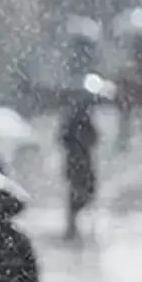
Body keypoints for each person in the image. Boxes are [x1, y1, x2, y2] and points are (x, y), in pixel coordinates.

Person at [59, 100, 100, 240]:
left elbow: (63, 139)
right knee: (80, 192)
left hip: (78, 163)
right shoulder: (78, 124)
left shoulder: (73, 124)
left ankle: (73, 223)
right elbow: (94, 139)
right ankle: (73, 223)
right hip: (79, 163)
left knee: (79, 192)